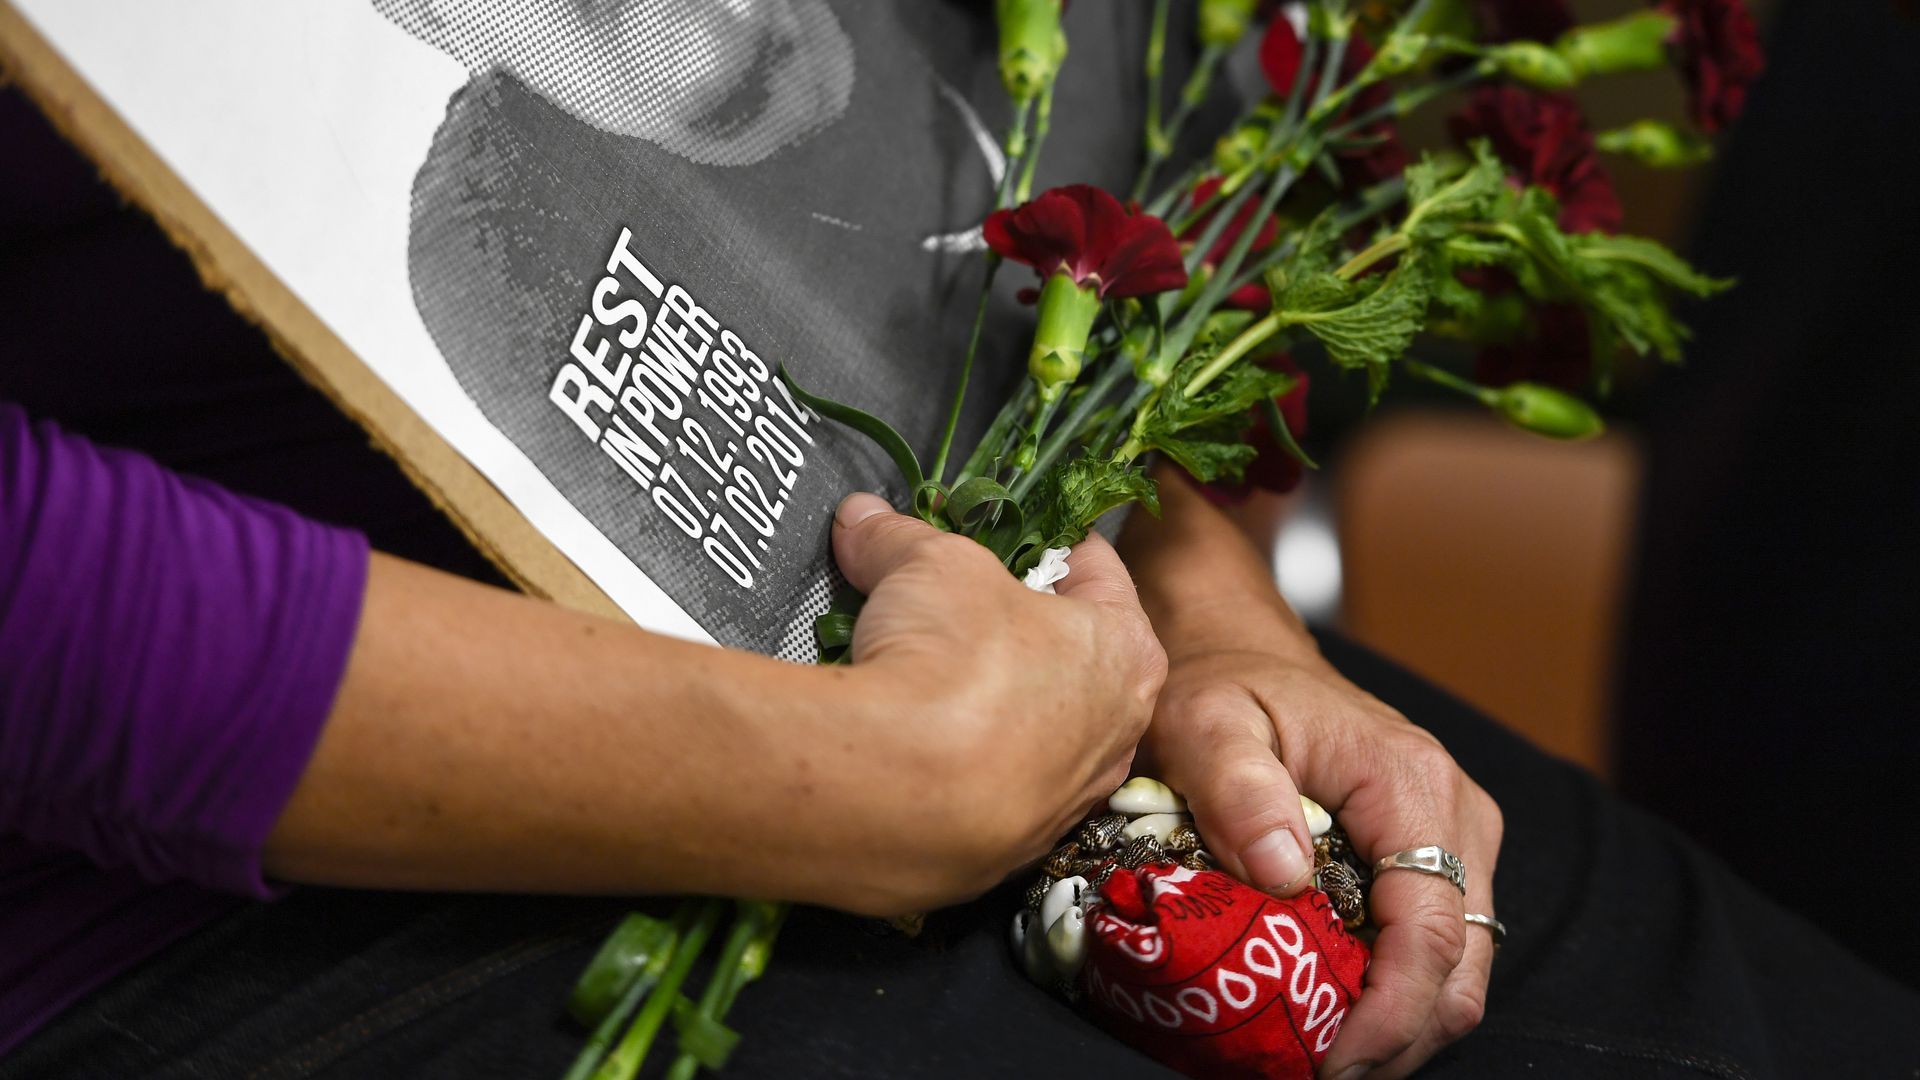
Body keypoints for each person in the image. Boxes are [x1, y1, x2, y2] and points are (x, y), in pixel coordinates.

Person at [3, 21, 1919, 1080]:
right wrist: (850, 781)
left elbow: (1043, 184)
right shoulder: (487, 223)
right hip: (259, 876)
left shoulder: (819, 131)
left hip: (1046, 652)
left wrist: (1217, 616)